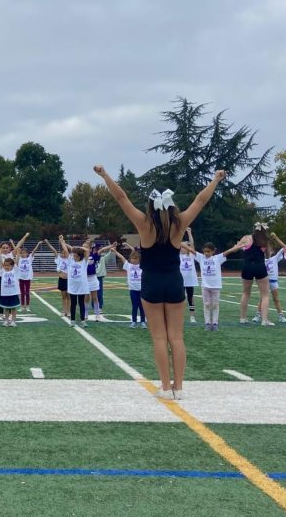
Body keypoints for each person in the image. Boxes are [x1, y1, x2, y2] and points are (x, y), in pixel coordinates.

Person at [95, 166, 226, 400]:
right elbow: (201, 200)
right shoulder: (180, 223)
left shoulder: (144, 224)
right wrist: (215, 180)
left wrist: (105, 175)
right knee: (176, 337)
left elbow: (121, 198)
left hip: (151, 283)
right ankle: (179, 387)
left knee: (159, 337)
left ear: (150, 206)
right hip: (174, 282)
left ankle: (165, 387)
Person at [186, 238, 245, 331]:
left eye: (208, 251)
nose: (206, 253)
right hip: (205, 286)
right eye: (205, 251)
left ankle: (215, 323)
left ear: (214, 251)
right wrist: (179, 243)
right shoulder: (201, 257)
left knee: (215, 305)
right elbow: (190, 250)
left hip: (216, 286)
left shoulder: (217, 258)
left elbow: (228, 252)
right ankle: (207, 323)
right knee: (206, 304)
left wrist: (237, 247)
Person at [238, 224, 273, 326]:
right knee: (265, 294)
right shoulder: (264, 241)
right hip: (260, 267)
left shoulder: (246, 238)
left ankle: (243, 318)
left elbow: (237, 248)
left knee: (245, 293)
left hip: (247, 266)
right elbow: (268, 255)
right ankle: (264, 320)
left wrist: (243, 247)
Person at [59, 236, 90, 327]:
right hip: (72, 286)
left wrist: (78, 248)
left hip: (81, 287)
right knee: (73, 303)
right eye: (74, 256)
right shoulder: (70, 261)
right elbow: (66, 249)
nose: (74, 257)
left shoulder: (84, 261)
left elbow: (87, 251)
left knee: (81, 303)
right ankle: (72, 321)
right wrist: (62, 242)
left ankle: (83, 320)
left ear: (80, 256)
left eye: (76, 256)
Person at [113, 244, 146, 328]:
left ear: (139, 259)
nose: (134, 260)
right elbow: (122, 257)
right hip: (133, 290)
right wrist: (115, 251)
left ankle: (143, 322)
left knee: (142, 306)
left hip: (142, 290)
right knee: (134, 306)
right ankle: (134, 321)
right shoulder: (129, 266)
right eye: (132, 258)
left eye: (136, 258)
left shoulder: (142, 266)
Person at [179, 228, 199, 324]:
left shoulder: (191, 255)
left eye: (184, 247)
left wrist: (189, 233)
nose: (182, 248)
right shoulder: (178, 256)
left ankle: (192, 317)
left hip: (190, 281)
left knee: (190, 298)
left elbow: (192, 243)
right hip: (180, 281)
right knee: (180, 299)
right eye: (182, 247)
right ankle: (180, 316)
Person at [46, 238, 70, 317]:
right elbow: (54, 251)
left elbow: (66, 250)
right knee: (63, 296)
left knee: (69, 296)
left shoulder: (69, 259)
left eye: (64, 253)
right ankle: (63, 311)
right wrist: (48, 243)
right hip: (61, 279)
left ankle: (68, 311)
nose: (63, 254)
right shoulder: (59, 259)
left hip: (69, 280)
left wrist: (62, 241)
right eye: (62, 253)